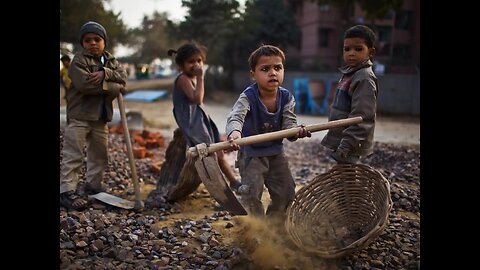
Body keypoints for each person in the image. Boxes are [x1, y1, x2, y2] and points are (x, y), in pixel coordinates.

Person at [225, 44, 311, 220]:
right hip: (251, 156)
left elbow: (289, 124)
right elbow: (236, 117)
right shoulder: (248, 97)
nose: (273, 73)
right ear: (253, 75)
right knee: (251, 194)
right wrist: (234, 133)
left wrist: (295, 132)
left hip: (276, 155)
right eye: (265, 69)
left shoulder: (287, 97)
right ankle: (257, 230)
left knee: (286, 191)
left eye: (277, 68)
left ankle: (274, 227)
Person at [60, 21, 127, 210]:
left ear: (104, 42)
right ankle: (65, 191)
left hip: (100, 117)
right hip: (80, 115)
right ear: (82, 43)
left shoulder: (111, 61)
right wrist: (114, 86)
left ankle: (93, 186)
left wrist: (105, 72)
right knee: (73, 154)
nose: (93, 43)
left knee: (99, 154)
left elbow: (124, 76)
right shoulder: (78, 61)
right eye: (88, 40)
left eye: (97, 39)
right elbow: (85, 86)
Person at [168, 43, 242, 192]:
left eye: (199, 61)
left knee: (217, 151)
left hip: (199, 120)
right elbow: (197, 99)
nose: (196, 65)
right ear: (181, 65)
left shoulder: (190, 78)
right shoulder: (183, 79)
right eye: (191, 62)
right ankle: (221, 187)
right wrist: (201, 78)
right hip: (192, 123)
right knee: (210, 154)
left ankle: (233, 181)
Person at [321, 25, 379, 164]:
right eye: (347, 49)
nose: (351, 53)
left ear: (370, 52)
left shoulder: (364, 78)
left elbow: (362, 117)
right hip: (343, 140)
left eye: (358, 49)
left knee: (348, 180)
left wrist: (347, 143)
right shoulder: (350, 74)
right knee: (343, 179)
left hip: (351, 143)